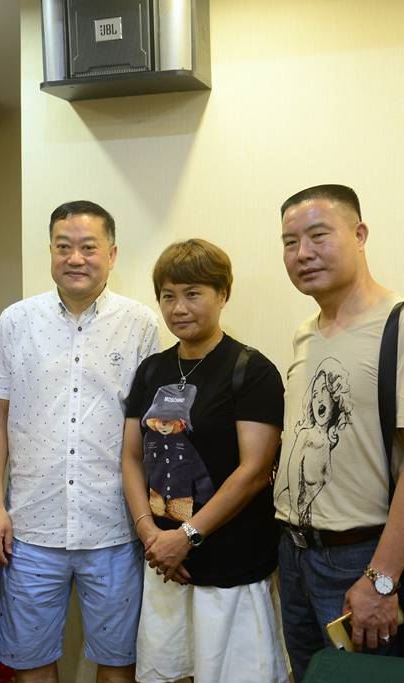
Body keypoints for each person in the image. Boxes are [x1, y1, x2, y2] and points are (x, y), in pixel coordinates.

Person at [274, 184, 404, 678]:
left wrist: (381, 579)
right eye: (290, 242)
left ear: (359, 235)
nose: (303, 253)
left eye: (318, 236)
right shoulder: (305, 333)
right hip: (295, 555)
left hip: (362, 559)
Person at [0, 200, 160, 683]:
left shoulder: (141, 324)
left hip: (115, 527)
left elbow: (151, 427)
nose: (75, 258)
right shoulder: (16, 321)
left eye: (88, 247)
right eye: (64, 247)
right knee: (30, 661)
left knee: (118, 662)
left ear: (112, 254)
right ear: (51, 252)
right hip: (30, 528)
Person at [122, 239, 289, 683]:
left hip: (231, 562)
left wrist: (187, 536)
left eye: (193, 293)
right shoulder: (151, 370)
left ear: (222, 294)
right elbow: (131, 456)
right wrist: (150, 534)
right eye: (168, 296)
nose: (179, 308)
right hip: (165, 562)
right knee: (167, 672)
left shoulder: (251, 370)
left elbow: (254, 472)